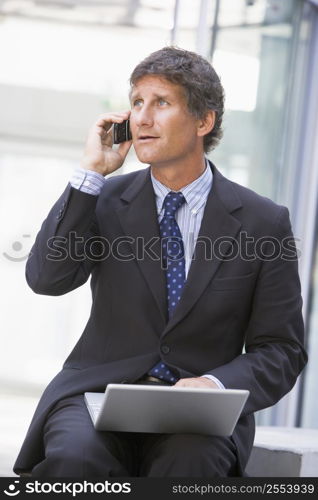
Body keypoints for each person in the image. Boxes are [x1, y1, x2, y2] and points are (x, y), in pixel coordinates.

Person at [14, 46, 307, 478]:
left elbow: (282, 348)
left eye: (161, 103)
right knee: (76, 461)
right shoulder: (103, 199)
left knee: (189, 466)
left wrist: (214, 384)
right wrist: (92, 174)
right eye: (136, 103)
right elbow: (46, 277)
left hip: (198, 412)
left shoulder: (263, 222)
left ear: (203, 121)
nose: (142, 119)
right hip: (96, 392)